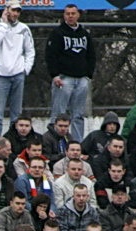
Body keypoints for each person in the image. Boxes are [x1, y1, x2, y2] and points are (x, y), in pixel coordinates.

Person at [45, 4, 94, 143]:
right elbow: (50, 55)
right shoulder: (57, 33)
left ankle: (76, 144)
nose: (70, 16)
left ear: (78, 15)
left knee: (78, 115)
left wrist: (88, 75)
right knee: (58, 114)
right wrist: (54, 75)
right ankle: (55, 143)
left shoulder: (85, 34)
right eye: (67, 13)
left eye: (73, 13)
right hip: (64, 78)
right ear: (64, 15)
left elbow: (91, 55)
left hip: (82, 80)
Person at [0, 1, 34, 137]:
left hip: (18, 75)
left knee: (17, 116)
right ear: (6, 10)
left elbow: (30, 51)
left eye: (18, 11)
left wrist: (25, 69)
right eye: (13, 10)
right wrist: (4, 25)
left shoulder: (24, 28)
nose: (15, 14)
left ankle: (14, 147)